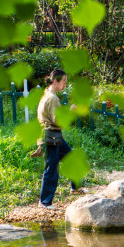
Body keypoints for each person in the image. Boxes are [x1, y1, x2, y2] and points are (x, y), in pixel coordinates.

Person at [37, 68, 78, 208]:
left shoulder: (47, 94)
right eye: (64, 82)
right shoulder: (52, 98)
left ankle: (75, 187)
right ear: (55, 81)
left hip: (53, 135)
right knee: (52, 169)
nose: (65, 85)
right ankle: (45, 202)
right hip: (51, 136)